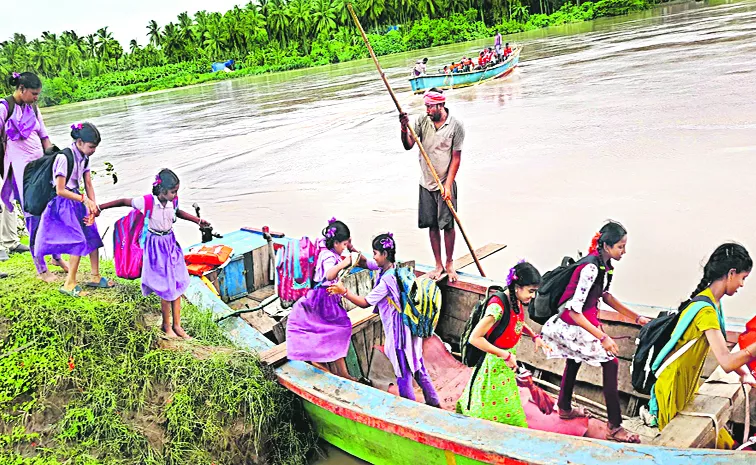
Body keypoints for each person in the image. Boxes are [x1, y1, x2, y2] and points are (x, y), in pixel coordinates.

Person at [540, 221, 650, 443]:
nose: (624, 251)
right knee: (611, 363)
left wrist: (636, 317)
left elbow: (606, 296)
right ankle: (615, 426)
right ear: (606, 246)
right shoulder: (590, 268)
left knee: (574, 359)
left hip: (581, 321)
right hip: (570, 323)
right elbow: (574, 310)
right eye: (620, 246)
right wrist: (604, 337)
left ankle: (564, 407)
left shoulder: (605, 266)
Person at [652, 243, 756, 449]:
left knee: (722, 443)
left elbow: (724, 352)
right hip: (673, 387)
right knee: (677, 448)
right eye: (743, 278)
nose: (742, 285)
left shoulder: (714, 303)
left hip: (684, 384)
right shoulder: (706, 311)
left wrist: (744, 373)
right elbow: (726, 361)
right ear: (731, 273)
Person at [329, 233, 441, 406]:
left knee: (403, 374)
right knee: (418, 368)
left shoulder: (386, 281)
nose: (373, 257)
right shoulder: (395, 269)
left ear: (384, 254)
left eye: (375, 253)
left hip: (399, 336)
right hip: (410, 330)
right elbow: (367, 263)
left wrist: (344, 291)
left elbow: (365, 303)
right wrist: (354, 251)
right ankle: (435, 403)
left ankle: (409, 410)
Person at [98, 168, 207, 339]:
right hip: (155, 246)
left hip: (170, 243)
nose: (175, 195)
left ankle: (177, 326)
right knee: (165, 287)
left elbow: (178, 212)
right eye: (173, 191)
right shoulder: (146, 202)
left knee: (177, 283)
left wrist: (197, 221)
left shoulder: (173, 201)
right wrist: (100, 207)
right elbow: (124, 201)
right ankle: (167, 326)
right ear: (162, 191)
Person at [456, 262, 547, 426]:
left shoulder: (516, 300)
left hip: (507, 360)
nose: (532, 296)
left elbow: (516, 322)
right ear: (517, 287)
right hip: (494, 362)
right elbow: (475, 338)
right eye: (530, 291)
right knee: (490, 403)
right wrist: (505, 355)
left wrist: (534, 336)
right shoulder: (497, 308)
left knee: (507, 399)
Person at [0, 72, 68, 280]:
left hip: (40, 169)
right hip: (21, 174)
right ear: (21, 89)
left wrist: (55, 161)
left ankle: (56, 256)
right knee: (33, 218)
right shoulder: (5, 108)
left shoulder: (33, 108)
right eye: (34, 93)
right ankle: (42, 269)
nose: (37, 97)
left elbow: (44, 136)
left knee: (50, 212)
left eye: (38, 94)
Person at [35, 123, 109, 297]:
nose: (93, 151)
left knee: (92, 234)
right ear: (80, 141)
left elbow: (88, 183)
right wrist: (85, 199)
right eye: (91, 147)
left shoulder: (84, 157)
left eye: (95, 147)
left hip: (77, 199)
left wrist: (93, 206)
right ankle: (69, 283)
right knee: (77, 240)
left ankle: (95, 276)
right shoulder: (64, 158)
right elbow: (60, 190)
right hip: (62, 203)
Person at [399, 88, 465, 282]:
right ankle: (438, 265)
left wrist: (448, 184)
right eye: (426, 106)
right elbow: (408, 144)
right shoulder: (421, 121)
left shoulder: (456, 126)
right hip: (426, 182)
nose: (427, 110)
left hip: (445, 181)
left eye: (430, 106)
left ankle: (450, 262)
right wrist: (404, 128)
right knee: (432, 225)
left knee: (448, 225)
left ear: (440, 105)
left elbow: (456, 158)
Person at [286, 218, 361, 380]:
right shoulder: (328, 256)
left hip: (328, 299)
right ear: (335, 243)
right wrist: (344, 263)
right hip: (321, 300)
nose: (344, 248)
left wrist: (351, 247)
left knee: (337, 330)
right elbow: (329, 274)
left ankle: (343, 373)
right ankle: (317, 361)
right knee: (331, 330)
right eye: (343, 245)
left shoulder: (324, 245)